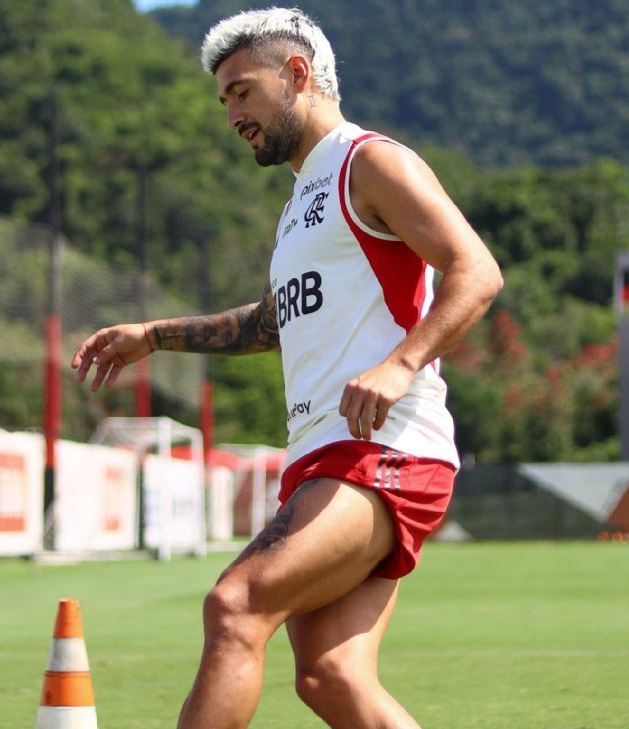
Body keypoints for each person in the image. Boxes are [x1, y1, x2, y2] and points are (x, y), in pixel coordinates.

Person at [71, 8, 503, 728]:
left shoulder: (369, 161)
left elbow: (477, 270)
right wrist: (154, 335)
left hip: (384, 449)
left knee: (235, 605)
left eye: (241, 91)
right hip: (326, 457)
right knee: (331, 675)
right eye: (224, 100)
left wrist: (401, 363)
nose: (231, 113)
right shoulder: (300, 204)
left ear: (296, 74)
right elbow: (268, 323)